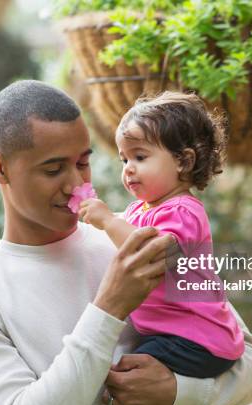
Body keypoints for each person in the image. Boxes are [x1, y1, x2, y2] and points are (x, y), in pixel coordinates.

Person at [0, 80, 252, 405]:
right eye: (53, 170)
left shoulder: (137, 233)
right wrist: (109, 306)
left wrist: (178, 393)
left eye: (83, 162)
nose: (76, 184)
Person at [79, 91, 242, 380]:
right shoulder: (140, 210)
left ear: (183, 161)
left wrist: (106, 220)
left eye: (140, 156)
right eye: (124, 159)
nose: (128, 168)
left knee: (126, 375)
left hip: (198, 339)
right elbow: (127, 226)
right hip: (176, 334)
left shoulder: (184, 212)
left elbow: (152, 253)